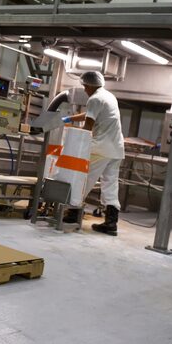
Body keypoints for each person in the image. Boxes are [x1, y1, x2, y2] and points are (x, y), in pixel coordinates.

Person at [62, 70, 125, 235]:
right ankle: (111, 223)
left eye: (84, 86)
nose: (84, 89)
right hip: (116, 149)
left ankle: (73, 215)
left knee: (83, 180)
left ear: (89, 85)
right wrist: (70, 118)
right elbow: (92, 115)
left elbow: (88, 126)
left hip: (100, 148)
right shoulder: (109, 96)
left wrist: (76, 145)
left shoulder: (94, 99)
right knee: (110, 184)